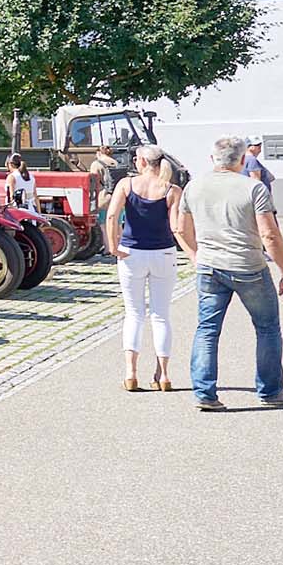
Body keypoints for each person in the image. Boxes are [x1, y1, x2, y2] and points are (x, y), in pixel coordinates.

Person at [176, 134, 283, 411]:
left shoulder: (194, 186)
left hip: (209, 266)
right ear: (242, 160)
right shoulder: (253, 188)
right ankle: (270, 391)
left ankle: (204, 393)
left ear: (212, 159)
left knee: (207, 329)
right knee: (267, 328)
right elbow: (269, 235)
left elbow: (181, 229)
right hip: (248, 266)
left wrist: (195, 256)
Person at [107, 145, 182, 391]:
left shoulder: (126, 185)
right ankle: (164, 374)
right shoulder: (172, 190)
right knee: (161, 315)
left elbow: (112, 216)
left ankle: (131, 373)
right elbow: (176, 227)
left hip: (131, 253)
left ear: (141, 161)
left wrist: (113, 246)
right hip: (163, 253)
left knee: (134, 313)